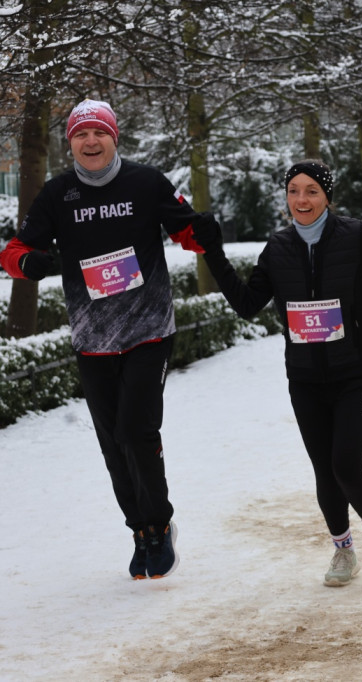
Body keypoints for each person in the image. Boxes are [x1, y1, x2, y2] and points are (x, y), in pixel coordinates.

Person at [192, 159, 362, 588]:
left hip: (353, 371)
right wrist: (213, 252)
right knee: (325, 470)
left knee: (346, 463)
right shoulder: (277, 246)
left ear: (327, 197)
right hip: (304, 376)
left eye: (311, 191)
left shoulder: (356, 236)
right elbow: (248, 303)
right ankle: (343, 550)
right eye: (293, 191)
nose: (301, 200)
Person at [0, 99, 213, 580]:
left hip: (148, 331)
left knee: (137, 431)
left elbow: (188, 232)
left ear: (114, 138)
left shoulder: (146, 182)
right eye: (81, 135)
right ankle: (138, 530)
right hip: (92, 338)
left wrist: (203, 232)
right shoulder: (57, 196)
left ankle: (159, 526)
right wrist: (27, 264)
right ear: (70, 143)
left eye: (99, 133)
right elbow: (13, 252)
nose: (91, 142)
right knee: (112, 443)